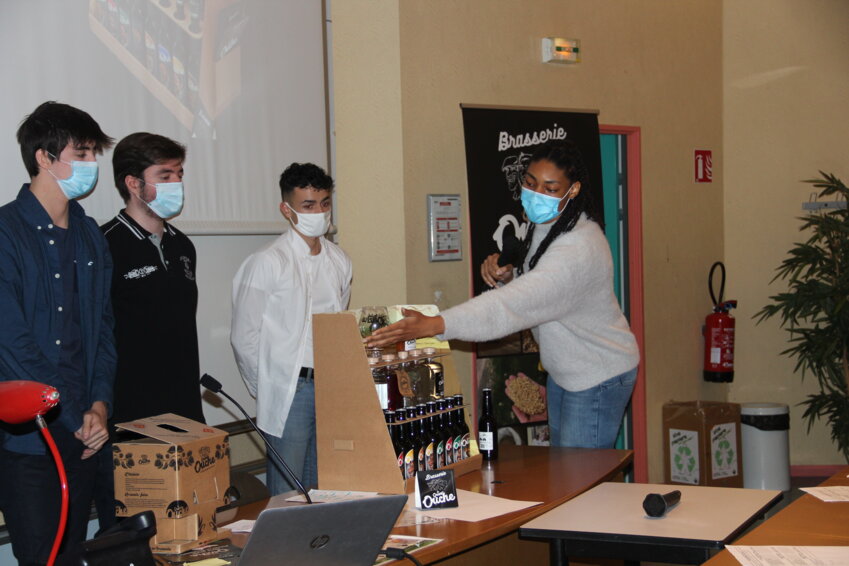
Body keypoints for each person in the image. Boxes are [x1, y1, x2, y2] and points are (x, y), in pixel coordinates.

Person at [366, 140, 639, 449]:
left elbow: (516, 304)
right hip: (568, 371)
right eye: (530, 183)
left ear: (573, 190)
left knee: (583, 472)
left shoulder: (579, 248)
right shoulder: (550, 225)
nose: (536, 194)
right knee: (565, 469)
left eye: (550, 188)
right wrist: (510, 277)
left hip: (598, 374)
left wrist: (436, 324)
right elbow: (543, 291)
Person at [0, 101, 116, 566]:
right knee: (42, 557)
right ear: (44, 158)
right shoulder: (6, 233)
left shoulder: (90, 235)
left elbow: (103, 332)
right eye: (81, 154)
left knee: (75, 554)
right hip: (30, 441)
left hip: (84, 432)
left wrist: (100, 405)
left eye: (93, 154)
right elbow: (13, 344)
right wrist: (72, 415)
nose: (91, 165)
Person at [95, 133, 204, 530]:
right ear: (133, 183)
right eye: (165, 175)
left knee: (189, 531)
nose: (176, 184)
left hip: (186, 417)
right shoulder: (105, 245)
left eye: (179, 174)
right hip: (130, 423)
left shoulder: (183, 246)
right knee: (133, 536)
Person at [230, 163, 352, 495]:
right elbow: (244, 337)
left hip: (330, 385)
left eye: (324, 203)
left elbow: (337, 322)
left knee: (323, 486)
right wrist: (268, 386)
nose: (319, 213)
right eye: (308, 205)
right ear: (287, 209)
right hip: (289, 388)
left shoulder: (339, 260)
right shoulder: (267, 261)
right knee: (288, 492)